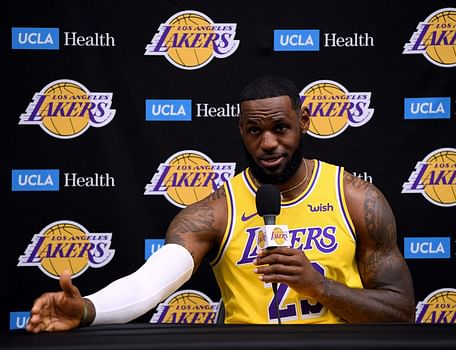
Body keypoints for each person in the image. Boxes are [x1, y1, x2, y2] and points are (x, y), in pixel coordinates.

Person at [26, 76, 415, 332]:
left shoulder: (356, 198)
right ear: (241, 132)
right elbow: (150, 283)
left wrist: (320, 286)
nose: (267, 144)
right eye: (254, 131)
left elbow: (400, 312)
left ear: (305, 122)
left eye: (280, 127)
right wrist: (88, 310)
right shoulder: (215, 212)